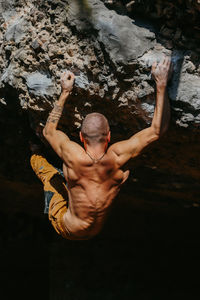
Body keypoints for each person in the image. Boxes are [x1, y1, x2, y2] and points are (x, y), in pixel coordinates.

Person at [30, 57, 171, 240]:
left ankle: (34, 151)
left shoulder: (74, 156)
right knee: (115, 173)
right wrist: (161, 84)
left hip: (67, 227)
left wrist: (65, 91)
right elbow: (157, 130)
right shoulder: (118, 157)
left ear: (81, 137)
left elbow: (49, 132)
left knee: (47, 173)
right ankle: (63, 174)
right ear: (109, 136)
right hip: (96, 230)